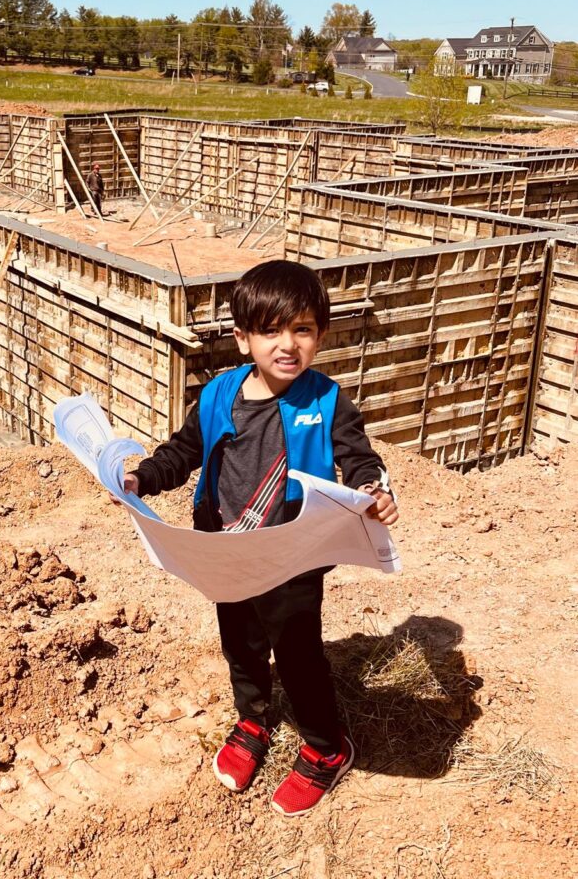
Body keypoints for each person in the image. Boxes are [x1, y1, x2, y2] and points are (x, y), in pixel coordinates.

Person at [121, 260, 398, 817]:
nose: (287, 344)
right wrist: (139, 478)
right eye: (271, 330)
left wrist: (373, 487)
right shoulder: (219, 394)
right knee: (242, 644)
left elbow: (358, 457)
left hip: (293, 557)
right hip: (226, 549)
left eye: (302, 329)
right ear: (244, 338)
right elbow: (182, 453)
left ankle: (325, 747)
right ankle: (252, 718)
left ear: (320, 334)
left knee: (298, 657)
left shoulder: (326, 401)